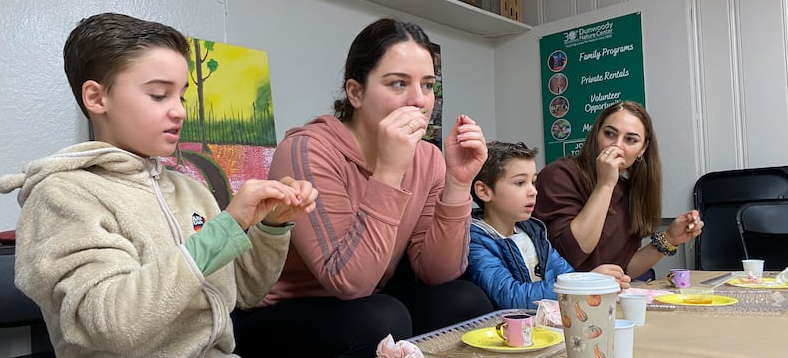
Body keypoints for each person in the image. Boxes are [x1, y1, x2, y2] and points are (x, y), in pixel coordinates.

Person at [0, 13, 318, 357]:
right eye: (159, 95)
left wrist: (272, 226)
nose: (180, 111)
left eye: (181, 96)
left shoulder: (191, 190)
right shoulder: (63, 195)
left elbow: (245, 292)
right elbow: (114, 324)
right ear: (96, 97)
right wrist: (228, 227)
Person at [231, 18, 494, 357]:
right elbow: (347, 281)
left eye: (428, 86)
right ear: (355, 92)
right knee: (382, 317)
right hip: (278, 313)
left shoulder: (428, 158)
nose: (419, 100)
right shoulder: (308, 150)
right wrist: (389, 171)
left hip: (366, 293)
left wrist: (458, 183)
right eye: (398, 84)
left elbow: (437, 272)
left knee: (464, 299)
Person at [532, 101, 704, 280]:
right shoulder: (560, 174)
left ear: (642, 149)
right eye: (609, 134)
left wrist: (670, 239)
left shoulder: (631, 193)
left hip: (604, 300)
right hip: (558, 301)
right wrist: (605, 185)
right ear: (596, 135)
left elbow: (623, 269)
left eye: (631, 139)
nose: (617, 145)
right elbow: (571, 254)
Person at [466, 141, 630, 310]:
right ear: (484, 191)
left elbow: (566, 276)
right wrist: (583, 284)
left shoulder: (533, 231)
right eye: (520, 183)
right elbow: (511, 297)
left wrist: (594, 281)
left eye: (533, 182)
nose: (533, 191)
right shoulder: (475, 240)